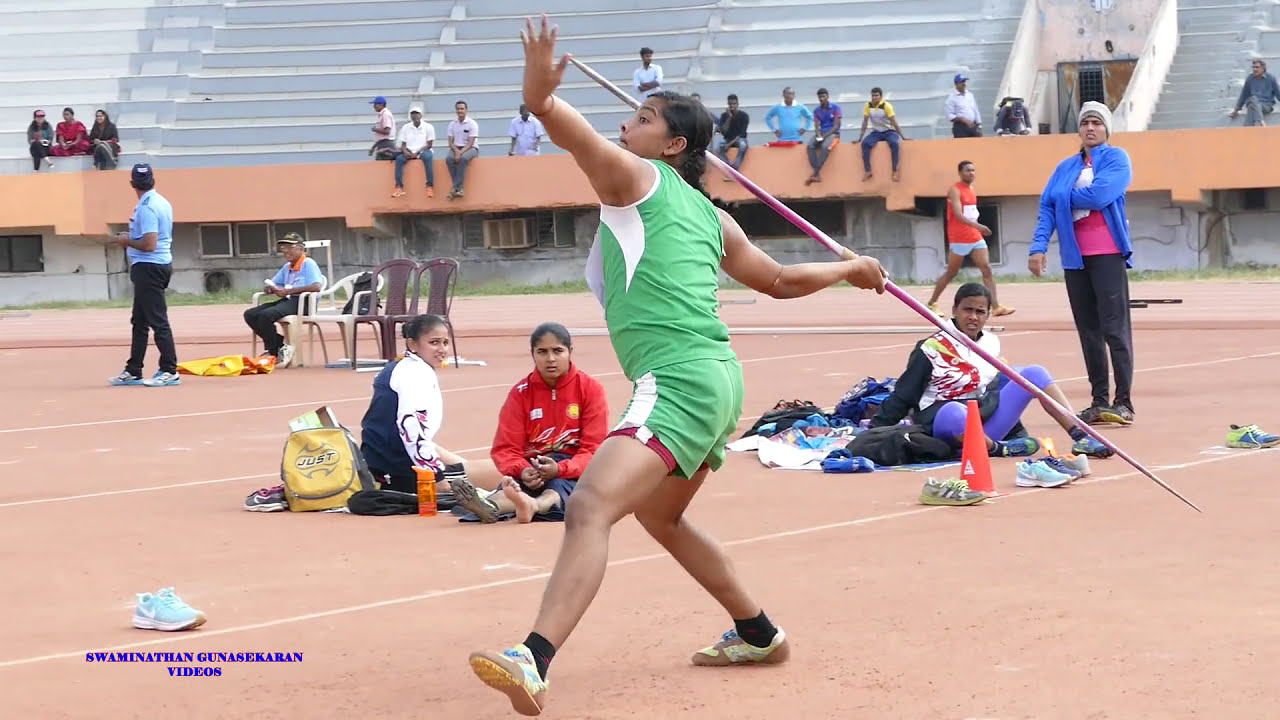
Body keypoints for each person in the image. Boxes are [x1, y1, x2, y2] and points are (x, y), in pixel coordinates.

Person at [466, 16, 889, 717]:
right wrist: (849, 268)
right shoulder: (711, 214)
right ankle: (758, 631)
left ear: (673, 144)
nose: (628, 125)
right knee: (661, 519)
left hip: (679, 377)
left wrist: (539, 91)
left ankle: (532, 658)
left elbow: (555, 120)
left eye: (642, 117)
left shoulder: (636, 179)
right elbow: (778, 282)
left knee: (592, 508)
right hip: (719, 377)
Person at [1029, 101, 1135, 426]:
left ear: (1106, 130)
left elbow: (1100, 196)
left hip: (1107, 253)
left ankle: (1124, 402)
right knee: (1089, 331)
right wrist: (1038, 246)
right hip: (1075, 259)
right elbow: (1046, 207)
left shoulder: (1117, 159)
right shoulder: (1065, 167)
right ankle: (1099, 400)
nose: (1090, 127)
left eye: (1097, 123)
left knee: (1114, 329)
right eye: (1085, 122)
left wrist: (1060, 197)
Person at [466, 323, 608, 524]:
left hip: (571, 468)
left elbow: (594, 450)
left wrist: (561, 469)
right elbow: (505, 449)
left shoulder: (590, 389)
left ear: (570, 352)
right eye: (542, 352)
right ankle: (491, 506)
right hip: (532, 468)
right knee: (511, 486)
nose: (550, 359)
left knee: (559, 487)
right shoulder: (520, 393)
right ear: (532, 354)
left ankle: (535, 505)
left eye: (558, 351)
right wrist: (523, 470)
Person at [108, 164, 179, 387]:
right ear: (153, 180)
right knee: (139, 320)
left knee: (157, 320)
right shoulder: (161, 202)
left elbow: (149, 244)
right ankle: (134, 369)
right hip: (155, 264)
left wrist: (125, 240)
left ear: (132, 184)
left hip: (149, 266)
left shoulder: (147, 207)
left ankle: (169, 369)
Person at [926, 161, 1014, 317]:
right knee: (952, 272)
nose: (971, 173)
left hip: (974, 236)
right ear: (960, 173)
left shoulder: (971, 190)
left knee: (986, 268)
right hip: (959, 237)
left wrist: (977, 228)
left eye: (973, 170)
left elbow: (971, 213)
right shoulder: (954, 190)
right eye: (968, 170)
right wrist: (980, 226)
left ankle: (996, 306)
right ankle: (932, 302)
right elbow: (959, 216)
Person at [243, 233, 324, 368]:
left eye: (289, 247)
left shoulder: (308, 263)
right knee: (250, 314)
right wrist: (270, 289)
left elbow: (316, 286)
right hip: (288, 301)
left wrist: (287, 291)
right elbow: (275, 283)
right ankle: (279, 344)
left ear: (300, 248)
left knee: (266, 315)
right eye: (283, 248)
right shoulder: (287, 267)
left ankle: (273, 352)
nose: (286, 251)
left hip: (303, 303)